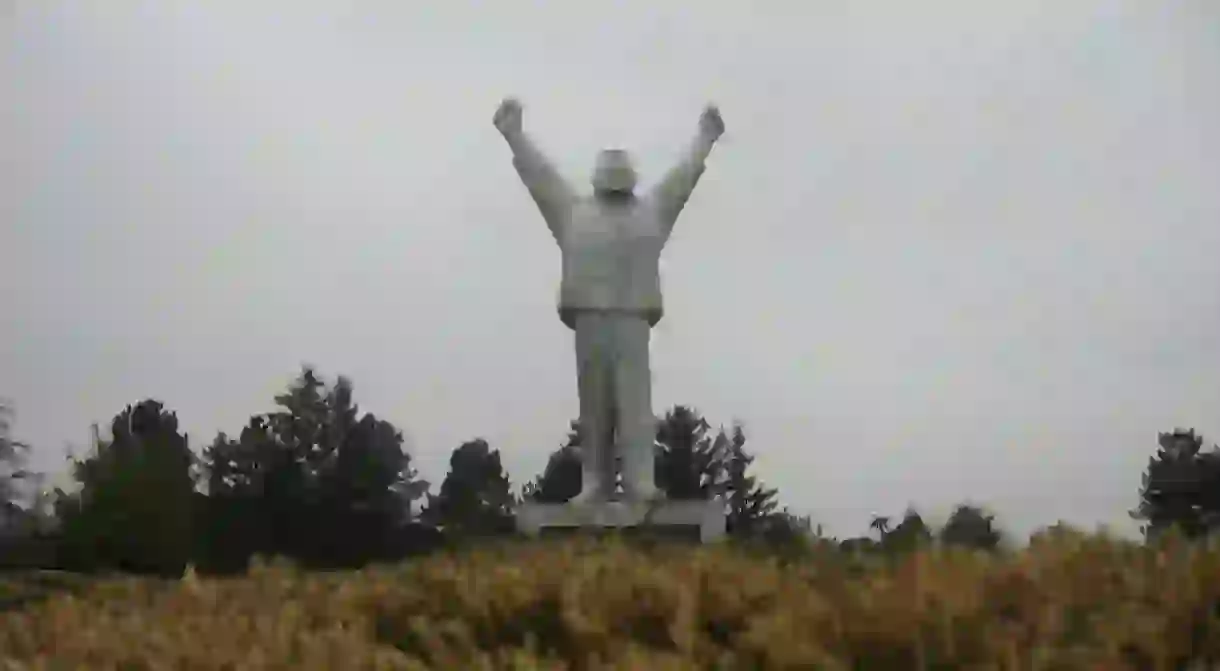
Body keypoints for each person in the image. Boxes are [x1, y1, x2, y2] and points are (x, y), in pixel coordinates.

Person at [494, 98, 724, 504]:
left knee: (635, 406)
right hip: (590, 319)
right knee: (595, 408)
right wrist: (514, 135)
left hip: (632, 318)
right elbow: (541, 179)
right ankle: (595, 483)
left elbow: (683, 178)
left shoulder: (649, 212)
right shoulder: (575, 213)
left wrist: (705, 139)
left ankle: (639, 482)